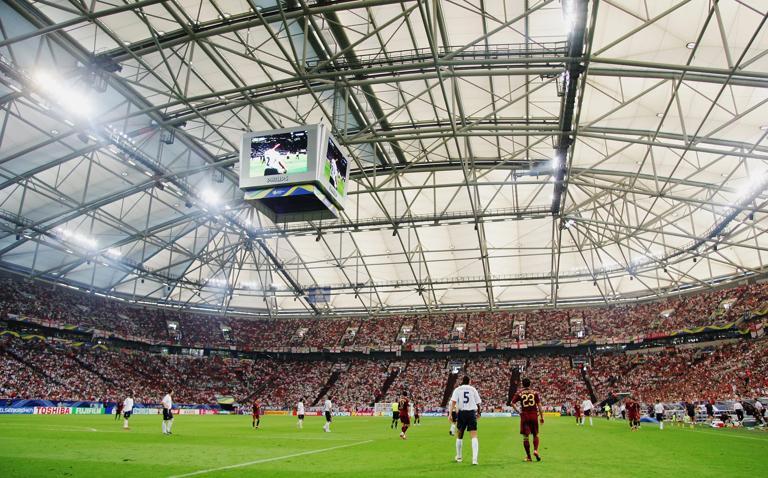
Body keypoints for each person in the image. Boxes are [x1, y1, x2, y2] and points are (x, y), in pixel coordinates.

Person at [449, 375, 481, 465]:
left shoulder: (458, 389)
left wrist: (450, 414)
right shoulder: (473, 389)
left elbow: (453, 402)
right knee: (474, 435)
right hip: (471, 413)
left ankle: (459, 457)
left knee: (459, 435)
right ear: (469, 381)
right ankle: (474, 460)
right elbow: (478, 403)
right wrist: (479, 413)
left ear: (462, 381)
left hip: (462, 413)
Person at [510, 378, 544, 462]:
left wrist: (518, 411)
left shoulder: (519, 393)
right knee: (535, 434)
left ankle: (529, 457)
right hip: (534, 415)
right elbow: (539, 405)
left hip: (525, 416)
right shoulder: (535, 393)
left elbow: (512, 403)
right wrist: (542, 417)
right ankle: (535, 450)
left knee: (525, 437)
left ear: (522, 384)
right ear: (530, 384)